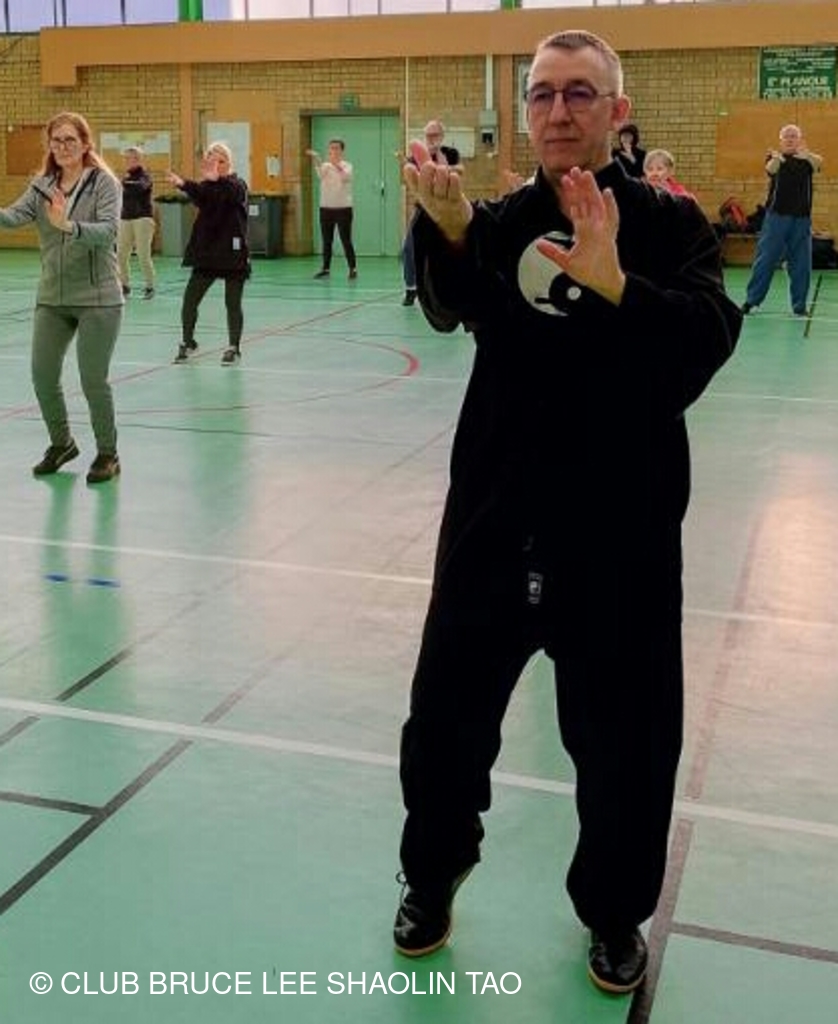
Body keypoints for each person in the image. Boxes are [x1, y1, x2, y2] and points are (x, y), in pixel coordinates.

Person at [393, 29, 741, 995]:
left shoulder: (670, 225)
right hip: (494, 522)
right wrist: (448, 232)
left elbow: (706, 341)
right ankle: (432, 873)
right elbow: (452, 309)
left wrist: (616, 282)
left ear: (617, 111)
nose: (558, 111)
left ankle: (614, 910)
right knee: (445, 721)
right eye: (543, 94)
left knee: (628, 741)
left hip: (620, 533)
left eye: (579, 93)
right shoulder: (503, 219)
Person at [0, 111, 123, 484]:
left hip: (98, 298)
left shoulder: (104, 184)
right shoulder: (42, 187)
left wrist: (67, 225)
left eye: (71, 140)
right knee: (42, 376)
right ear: (49, 146)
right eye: (57, 140)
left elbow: (108, 231)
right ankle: (62, 443)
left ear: (85, 144)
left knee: (93, 380)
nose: (63, 146)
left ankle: (108, 454)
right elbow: (13, 217)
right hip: (52, 297)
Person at [166, 142, 250, 365]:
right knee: (190, 300)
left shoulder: (237, 184)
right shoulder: (207, 186)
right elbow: (200, 194)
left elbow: (233, 195)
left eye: (220, 160)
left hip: (232, 251)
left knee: (232, 303)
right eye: (212, 159)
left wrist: (218, 179)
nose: (216, 164)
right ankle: (188, 342)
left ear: (228, 162)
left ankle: (233, 347)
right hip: (208, 251)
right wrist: (183, 184)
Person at [742, 124, 822, 317]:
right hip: (776, 217)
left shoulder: (807, 161)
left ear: (800, 139)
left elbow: (819, 163)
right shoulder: (775, 158)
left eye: (793, 136)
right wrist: (778, 158)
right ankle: (752, 301)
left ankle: (799, 306)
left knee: (801, 263)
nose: (790, 139)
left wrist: (807, 155)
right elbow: (770, 168)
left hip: (801, 219)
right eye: (786, 136)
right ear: (781, 140)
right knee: (766, 259)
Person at [400, 120, 462, 306]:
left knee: (449, 249)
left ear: (442, 136)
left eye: (434, 135)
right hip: (423, 208)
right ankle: (411, 288)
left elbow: (459, 170)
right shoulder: (418, 155)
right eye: (428, 135)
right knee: (409, 248)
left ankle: (449, 290)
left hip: (445, 209)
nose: (431, 138)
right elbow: (412, 174)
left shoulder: (450, 153)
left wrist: (440, 158)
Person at [306, 139, 357, 280]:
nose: (333, 151)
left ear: (341, 150)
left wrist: (335, 164)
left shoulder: (347, 166)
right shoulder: (325, 166)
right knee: (326, 240)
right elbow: (320, 174)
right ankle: (325, 269)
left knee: (346, 239)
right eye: (331, 148)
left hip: (343, 209)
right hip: (326, 208)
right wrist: (316, 158)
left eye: (336, 148)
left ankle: (353, 268)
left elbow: (345, 177)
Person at [117, 145, 156, 299]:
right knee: (121, 254)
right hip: (125, 219)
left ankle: (150, 286)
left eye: (132, 158)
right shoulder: (125, 178)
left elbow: (139, 187)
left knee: (143, 254)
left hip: (143, 219)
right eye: (126, 158)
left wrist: (120, 183)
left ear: (139, 159)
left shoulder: (145, 177)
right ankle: (124, 286)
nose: (128, 161)